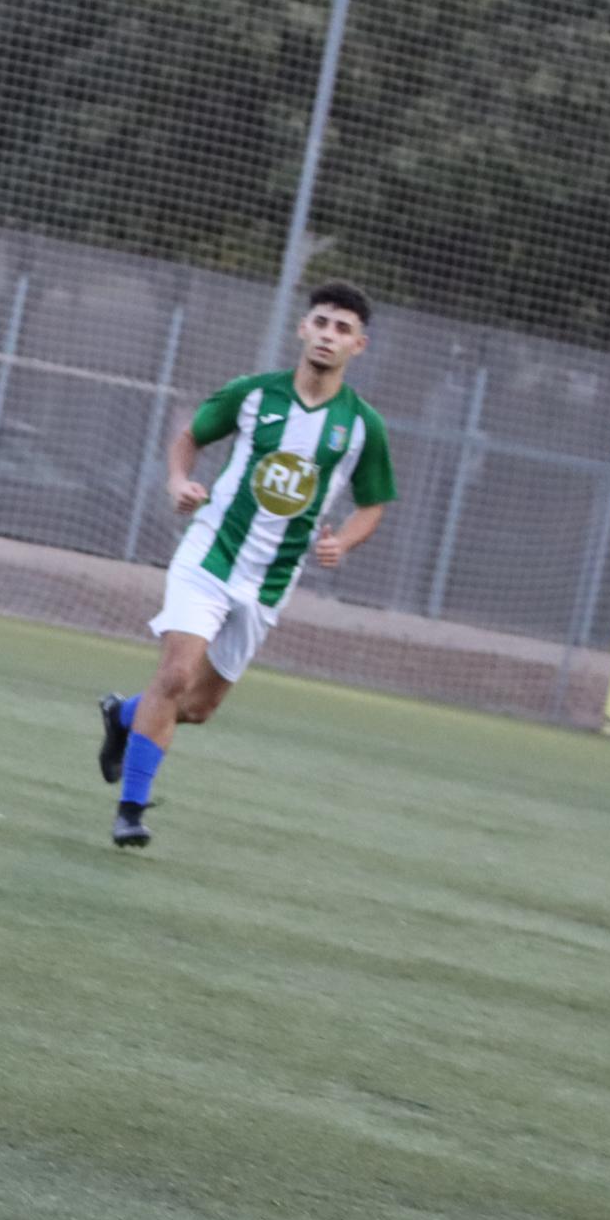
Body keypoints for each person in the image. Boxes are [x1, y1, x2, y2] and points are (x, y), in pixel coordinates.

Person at [96, 283, 395, 848]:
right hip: (211, 551)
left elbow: (373, 503)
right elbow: (190, 438)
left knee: (198, 707)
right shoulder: (254, 394)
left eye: (342, 329)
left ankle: (124, 715)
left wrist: (344, 542)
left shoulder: (362, 427)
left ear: (359, 345)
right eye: (321, 322)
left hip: (270, 580)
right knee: (176, 676)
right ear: (302, 328)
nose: (328, 335)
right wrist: (178, 482)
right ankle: (130, 810)